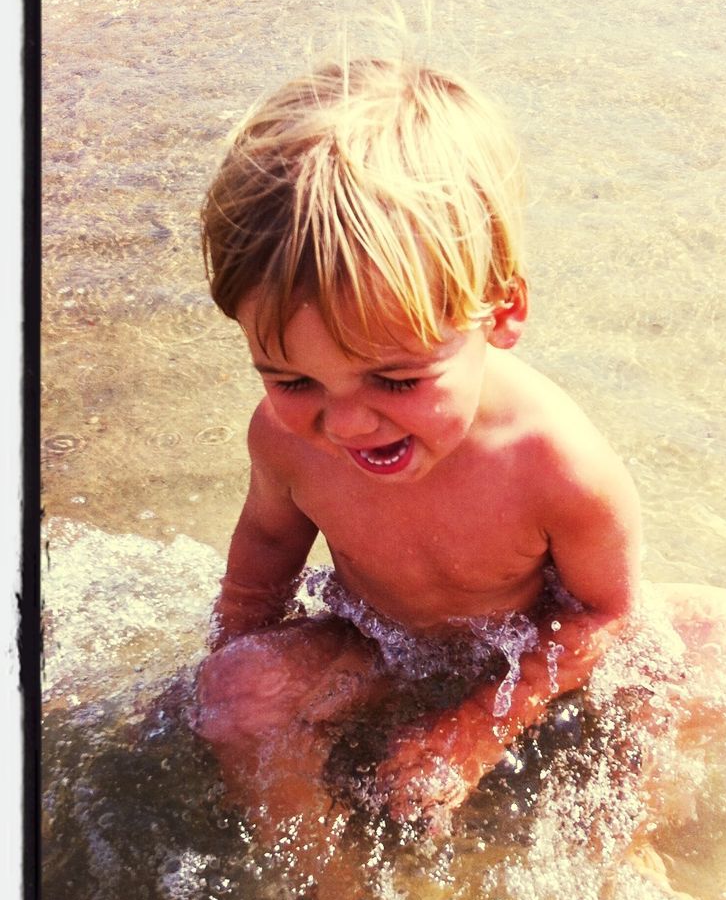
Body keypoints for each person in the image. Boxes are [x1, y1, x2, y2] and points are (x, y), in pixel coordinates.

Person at [193, 53, 675, 834]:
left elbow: (605, 617)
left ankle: (631, 862)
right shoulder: (285, 441)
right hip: (378, 646)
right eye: (293, 381)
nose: (345, 424)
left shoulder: (556, 466)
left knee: (723, 656)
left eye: (395, 380)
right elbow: (265, 548)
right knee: (237, 697)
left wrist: (474, 732)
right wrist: (223, 666)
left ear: (501, 311)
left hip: (532, 658)